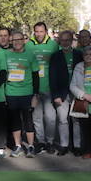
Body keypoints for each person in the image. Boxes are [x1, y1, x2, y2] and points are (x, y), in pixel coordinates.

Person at [3, 30, 38, 156]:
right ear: (11, 42)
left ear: (24, 41)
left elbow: (36, 76)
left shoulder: (30, 54)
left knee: (28, 120)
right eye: (14, 40)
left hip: (27, 93)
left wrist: (35, 94)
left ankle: (31, 146)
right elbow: (2, 73)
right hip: (11, 92)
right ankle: (18, 146)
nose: (17, 42)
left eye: (19, 39)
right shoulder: (6, 54)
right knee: (15, 120)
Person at [45, 30, 78, 156]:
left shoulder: (78, 54)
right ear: (60, 41)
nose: (65, 42)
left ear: (71, 40)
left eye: (67, 40)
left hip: (77, 93)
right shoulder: (55, 56)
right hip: (61, 93)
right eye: (62, 40)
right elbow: (52, 77)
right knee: (63, 120)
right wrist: (56, 95)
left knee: (76, 120)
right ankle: (64, 145)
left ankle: (77, 146)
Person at [28, 22, 60, 153]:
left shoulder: (53, 45)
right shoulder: (28, 45)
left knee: (51, 118)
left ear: (46, 32)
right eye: (37, 31)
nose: (39, 34)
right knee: (36, 117)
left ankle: (50, 141)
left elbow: (58, 66)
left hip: (49, 88)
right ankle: (40, 142)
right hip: (34, 88)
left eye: (41, 31)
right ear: (34, 32)